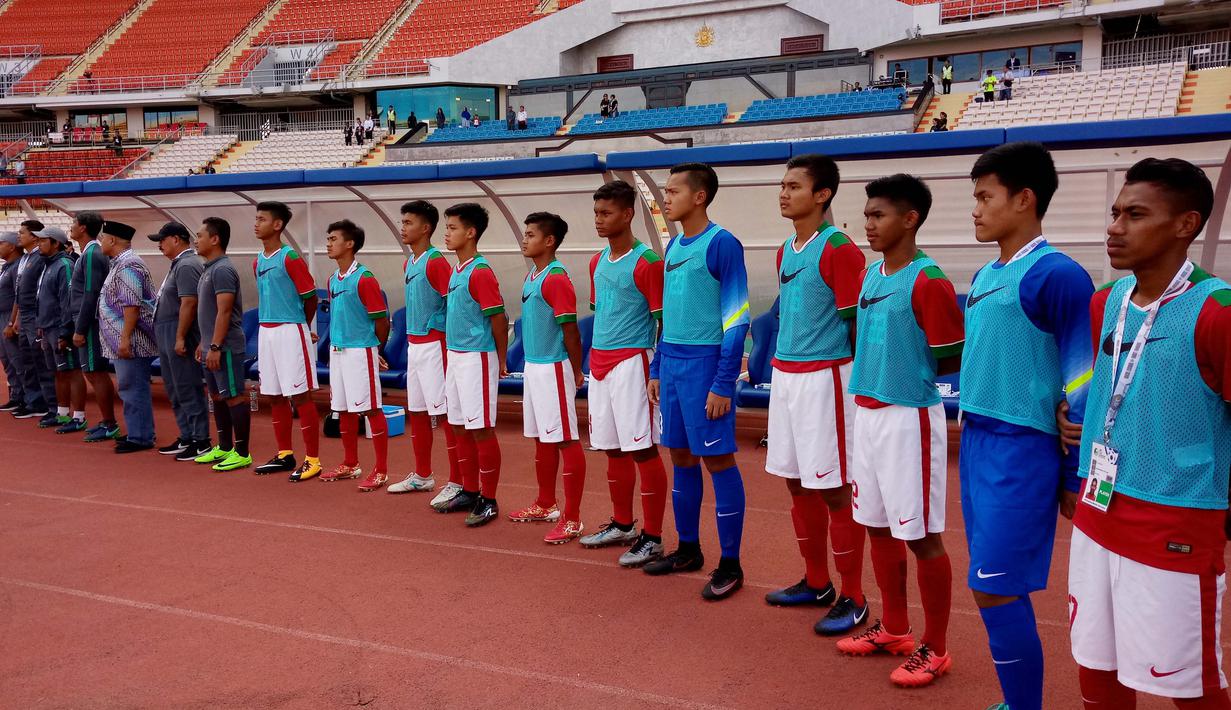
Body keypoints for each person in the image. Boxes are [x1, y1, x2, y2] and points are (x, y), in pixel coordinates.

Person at [1062, 158, 1231, 710]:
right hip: (1098, 508)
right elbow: (1111, 388)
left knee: (1187, 683)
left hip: (1175, 518)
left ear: (1186, 224)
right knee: (1096, 662)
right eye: (1115, 213)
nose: (1114, 226)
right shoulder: (1104, 302)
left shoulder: (1218, 311)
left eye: (1135, 215)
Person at [960, 141, 1094, 710]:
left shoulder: (1059, 276)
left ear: (1025, 199)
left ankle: (1025, 706)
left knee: (995, 587)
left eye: (985, 197)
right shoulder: (991, 271)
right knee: (990, 584)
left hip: (1022, 447)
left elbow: (1082, 377)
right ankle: (1016, 701)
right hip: (976, 441)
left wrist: (1073, 472)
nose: (975, 208)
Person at [837, 174, 963, 689]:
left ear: (910, 219)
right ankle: (894, 628)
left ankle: (936, 647)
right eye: (866, 215)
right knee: (876, 525)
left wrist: (906, 376)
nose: (868, 224)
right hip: (865, 414)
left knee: (923, 537)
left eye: (878, 215)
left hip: (908, 418)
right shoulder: (870, 275)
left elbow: (951, 356)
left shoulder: (928, 280)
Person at [763, 154, 869, 634]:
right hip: (785, 378)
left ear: (822, 194)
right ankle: (816, 581)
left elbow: (858, 326)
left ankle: (854, 596)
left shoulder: (840, 249)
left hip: (827, 377)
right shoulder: (786, 248)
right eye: (782, 185)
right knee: (794, 481)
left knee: (832, 487)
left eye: (794, 186)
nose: (784, 193)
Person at [644, 162, 751, 601]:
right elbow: (668, 313)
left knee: (718, 461)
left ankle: (731, 563)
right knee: (680, 457)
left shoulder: (723, 244)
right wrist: (656, 367)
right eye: (664, 192)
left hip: (708, 366)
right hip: (672, 364)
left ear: (699, 196)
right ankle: (688, 548)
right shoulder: (671, 248)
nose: (664, 199)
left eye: (671, 191)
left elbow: (737, 318)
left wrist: (724, 382)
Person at [576, 180, 668, 566]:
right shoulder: (597, 262)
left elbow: (664, 322)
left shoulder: (647, 262)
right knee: (611, 447)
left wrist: (657, 369)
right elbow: (603, 313)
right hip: (599, 364)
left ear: (628, 215)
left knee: (642, 449)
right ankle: (622, 523)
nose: (599, 220)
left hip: (633, 363)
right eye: (596, 213)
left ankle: (653, 536)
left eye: (606, 213)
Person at [507, 212, 587, 543]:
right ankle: (545, 503)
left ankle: (573, 518)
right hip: (534, 367)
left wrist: (576, 369)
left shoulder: (556, 278)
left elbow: (571, 330)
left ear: (549, 240)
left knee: (566, 439)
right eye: (524, 234)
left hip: (555, 367)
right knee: (542, 438)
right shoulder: (532, 277)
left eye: (531, 235)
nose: (524, 239)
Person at [440, 203, 508, 527]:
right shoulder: (457, 269)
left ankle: (489, 498)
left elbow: (499, 318)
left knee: (481, 428)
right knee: (457, 424)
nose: (447, 233)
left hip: (477, 357)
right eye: (447, 227)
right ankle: (468, 489)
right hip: (455, 356)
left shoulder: (480, 271)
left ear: (471, 232)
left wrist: (502, 358)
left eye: (452, 227)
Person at [387, 200, 459, 500]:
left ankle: (456, 481)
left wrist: (439, 332)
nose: (403, 227)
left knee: (445, 414)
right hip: (414, 346)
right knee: (416, 412)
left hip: (434, 345)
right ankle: (422, 475)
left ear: (425, 228)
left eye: (408, 223)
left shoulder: (436, 262)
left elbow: (452, 304)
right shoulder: (409, 262)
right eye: (402, 222)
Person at [250, 201, 323, 481]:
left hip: (290, 331)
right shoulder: (258, 260)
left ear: (277, 225)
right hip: (266, 331)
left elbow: (311, 296)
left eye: (262, 219)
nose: (256, 224)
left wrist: (300, 327)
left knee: (300, 394)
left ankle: (313, 460)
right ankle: (284, 454)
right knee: (273, 394)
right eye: (255, 219)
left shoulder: (290, 257)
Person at [320, 219, 392, 492]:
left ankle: (381, 470)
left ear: (349, 244)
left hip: (360, 351)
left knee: (371, 409)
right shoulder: (332, 279)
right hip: (337, 350)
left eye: (333, 238)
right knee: (343, 408)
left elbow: (382, 321)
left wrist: (376, 350)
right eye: (328, 239)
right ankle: (350, 463)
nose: (328, 243)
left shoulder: (365, 278)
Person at [192, 217, 253, 472]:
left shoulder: (223, 270)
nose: (196, 240)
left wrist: (216, 346)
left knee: (234, 396)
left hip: (225, 347)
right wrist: (203, 344)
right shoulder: (208, 268)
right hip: (211, 345)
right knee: (217, 395)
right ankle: (225, 446)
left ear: (215, 239)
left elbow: (224, 311)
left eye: (200, 235)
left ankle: (242, 452)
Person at [149, 222, 209, 460]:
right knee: (175, 388)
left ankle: (200, 438)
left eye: (162, 240)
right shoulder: (179, 265)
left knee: (187, 386)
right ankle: (187, 435)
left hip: (178, 332)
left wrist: (181, 336)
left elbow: (189, 302)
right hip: (169, 332)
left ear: (176, 239)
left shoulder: (187, 265)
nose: (159, 246)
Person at [97, 220, 158, 454]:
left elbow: (131, 306)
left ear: (112, 240)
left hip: (131, 340)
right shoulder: (120, 263)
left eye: (103, 237)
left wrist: (124, 339)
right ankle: (137, 431)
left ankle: (141, 437)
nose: (101, 241)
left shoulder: (129, 265)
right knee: (129, 387)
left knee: (133, 387)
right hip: (123, 338)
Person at [69, 211, 120, 442]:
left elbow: (91, 293)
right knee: (92, 371)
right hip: (87, 320)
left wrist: (80, 328)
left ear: (82, 228)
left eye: (73, 223)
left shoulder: (91, 254)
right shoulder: (87, 253)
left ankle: (110, 423)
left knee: (95, 371)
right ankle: (106, 421)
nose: (70, 227)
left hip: (90, 323)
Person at [33, 226, 85, 432]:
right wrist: (41, 323)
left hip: (60, 327)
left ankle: (79, 416)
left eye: (43, 241)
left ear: (56, 243)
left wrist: (65, 331)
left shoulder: (64, 265)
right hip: (48, 327)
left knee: (72, 371)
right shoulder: (49, 264)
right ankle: (62, 413)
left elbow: (67, 301)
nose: (38, 244)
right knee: (58, 371)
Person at [9, 219, 53, 420]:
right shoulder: (26, 258)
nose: (19, 235)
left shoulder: (40, 258)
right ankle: (33, 401)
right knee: (27, 359)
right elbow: (20, 291)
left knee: (39, 360)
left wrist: (37, 317)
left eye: (22, 232)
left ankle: (46, 402)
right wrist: (16, 318)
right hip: (24, 315)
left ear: (34, 237)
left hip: (34, 315)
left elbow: (39, 290)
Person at [0, 232, 24, 412]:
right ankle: (16, 394)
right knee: (7, 359)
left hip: (10, 315)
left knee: (16, 358)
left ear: (12, 246)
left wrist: (12, 321)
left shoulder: (17, 267)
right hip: (3, 315)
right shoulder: (7, 266)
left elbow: (19, 296)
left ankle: (25, 396)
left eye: (1, 243)